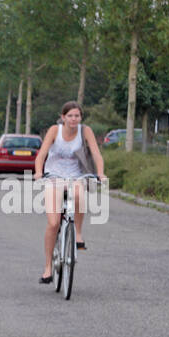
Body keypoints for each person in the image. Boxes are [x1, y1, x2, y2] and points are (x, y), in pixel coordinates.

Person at [32, 101, 106, 283]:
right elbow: (42, 154)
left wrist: (101, 173)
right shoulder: (54, 131)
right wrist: (39, 172)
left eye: (77, 116)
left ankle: (78, 233)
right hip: (54, 176)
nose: (74, 119)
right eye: (70, 116)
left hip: (75, 175)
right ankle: (48, 267)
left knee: (80, 194)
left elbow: (96, 154)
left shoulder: (85, 131)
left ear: (81, 117)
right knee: (53, 223)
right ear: (63, 117)